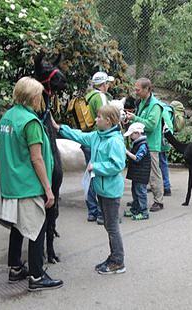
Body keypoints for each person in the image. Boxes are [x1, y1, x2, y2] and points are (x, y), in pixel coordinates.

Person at [0, 77, 63, 291]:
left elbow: (0, 146)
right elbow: (37, 159)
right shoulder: (30, 122)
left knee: (17, 226)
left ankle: (15, 267)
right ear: (33, 97)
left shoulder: (7, 117)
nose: (41, 99)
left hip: (11, 183)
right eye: (39, 95)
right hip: (28, 184)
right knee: (37, 228)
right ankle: (36, 276)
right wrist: (48, 189)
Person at [52, 104, 127, 274]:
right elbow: (79, 136)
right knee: (109, 225)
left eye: (99, 117)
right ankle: (114, 257)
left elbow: (118, 165)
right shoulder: (97, 136)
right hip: (101, 189)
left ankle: (118, 261)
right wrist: (59, 128)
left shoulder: (114, 141)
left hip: (111, 191)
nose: (96, 119)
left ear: (108, 121)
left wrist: (96, 166)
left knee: (112, 226)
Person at [125, 78, 165, 212]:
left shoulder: (155, 105)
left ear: (147, 89)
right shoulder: (142, 102)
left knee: (154, 174)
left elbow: (151, 125)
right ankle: (138, 200)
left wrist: (134, 118)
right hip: (140, 143)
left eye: (138, 90)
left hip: (151, 145)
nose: (135, 92)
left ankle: (158, 201)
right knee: (138, 174)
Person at [83, 71, 115, 224]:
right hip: (99, 139)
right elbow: (107, 118)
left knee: (91, 174)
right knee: (100, 174)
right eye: (107, 83)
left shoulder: (89, 97)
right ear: (103, 84)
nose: (108, 86)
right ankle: (102, 213)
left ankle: (92, 211)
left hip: (90, 139)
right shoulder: (101, 97)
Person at [123, 122, 151, 220]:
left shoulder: (142, 145)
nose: (130, 136)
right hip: (137, 173)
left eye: (131, 134)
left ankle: (144, 212)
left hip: (141, 173)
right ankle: (135, 209)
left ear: (138, 133)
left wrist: (126, 152)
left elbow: (137, 158)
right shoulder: (137, 143)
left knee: (140, 192)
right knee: (135, 191)